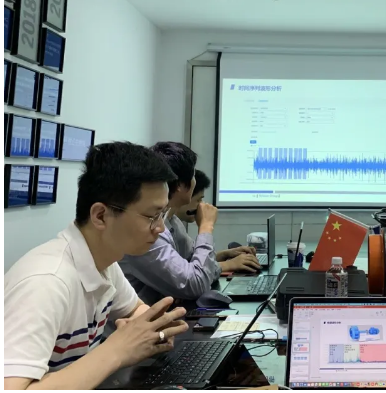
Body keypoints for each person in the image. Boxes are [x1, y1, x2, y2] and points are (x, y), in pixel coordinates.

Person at [4, 142, 189, 390]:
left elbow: (135, 310)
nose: (160, 227)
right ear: (100, 215)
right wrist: (117, 350)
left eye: (163, 214)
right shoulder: (46, 282)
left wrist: (156, 329)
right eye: (151, 216)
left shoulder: (103, 262)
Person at [120, 143, 260, 305]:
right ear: (180, 185)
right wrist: (206, 227)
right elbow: (196, 283)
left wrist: (223, 257)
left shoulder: (171, 220)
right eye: (193, 175)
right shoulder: (146, 232)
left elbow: (194, 263)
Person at [169, 169, 257, 271]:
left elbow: (193, 258)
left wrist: (225, 254)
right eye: (198, 200)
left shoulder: (175, 223)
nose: (201, 205)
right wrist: (206, 226)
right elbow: (192, 274)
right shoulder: (161, 231)